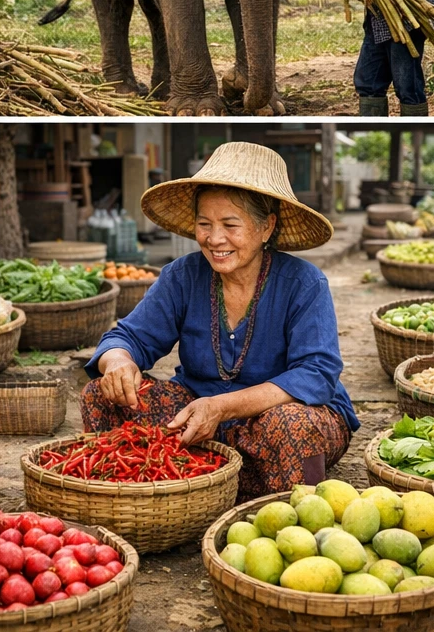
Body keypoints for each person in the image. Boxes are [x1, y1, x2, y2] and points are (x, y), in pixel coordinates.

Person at [81, 142, 358, 502]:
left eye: (230, 225)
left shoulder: (303, 283)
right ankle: (156, 494)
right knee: (101, 395)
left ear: (266, 227)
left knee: (292, 425)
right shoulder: (183, 276)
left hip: (277, 418)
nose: (214, 239)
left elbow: (317, 373)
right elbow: (130, 336)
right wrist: (118, 361)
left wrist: (223, 407)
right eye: (204, 224)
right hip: (200, 414)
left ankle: (271, 500)